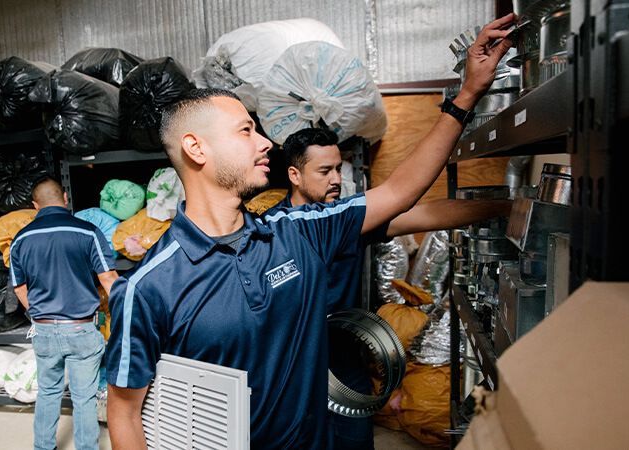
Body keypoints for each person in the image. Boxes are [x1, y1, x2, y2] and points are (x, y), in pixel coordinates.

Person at [105, 14, 516, 449]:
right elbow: (125, 411)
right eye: (246, 130)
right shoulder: (148, 288)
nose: (265, 142)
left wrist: (467, 94)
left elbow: (399, 192)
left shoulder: (300, 232)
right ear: (196, 147)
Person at [277, 127, 512, 449]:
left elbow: (426, 214)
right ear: (294, 174)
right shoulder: (272, 230)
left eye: (338, 169)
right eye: (324, 171)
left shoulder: (349, 221)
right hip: (295, 371)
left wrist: (507, 207)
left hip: (345, 366)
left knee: (354, 443)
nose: (335, 179)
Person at [9, 177, 119, 450]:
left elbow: (19, 287)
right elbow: (108, 279)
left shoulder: (21, 239)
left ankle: (43, 447)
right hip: (81, 328)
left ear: (36, 206)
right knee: (83, 398)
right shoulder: (87, 231)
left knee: (48, 393)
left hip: (44, 329)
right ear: (66, 198)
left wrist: (37, 313)